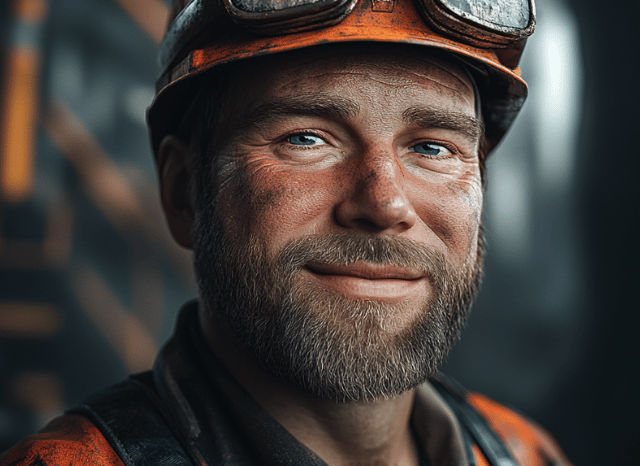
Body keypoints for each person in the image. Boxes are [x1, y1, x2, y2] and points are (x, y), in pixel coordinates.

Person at [1, 0, 573, 464]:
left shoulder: (524, 453)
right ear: (183, 192)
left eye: (432, 147)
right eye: (306, 138)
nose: (384, 202)